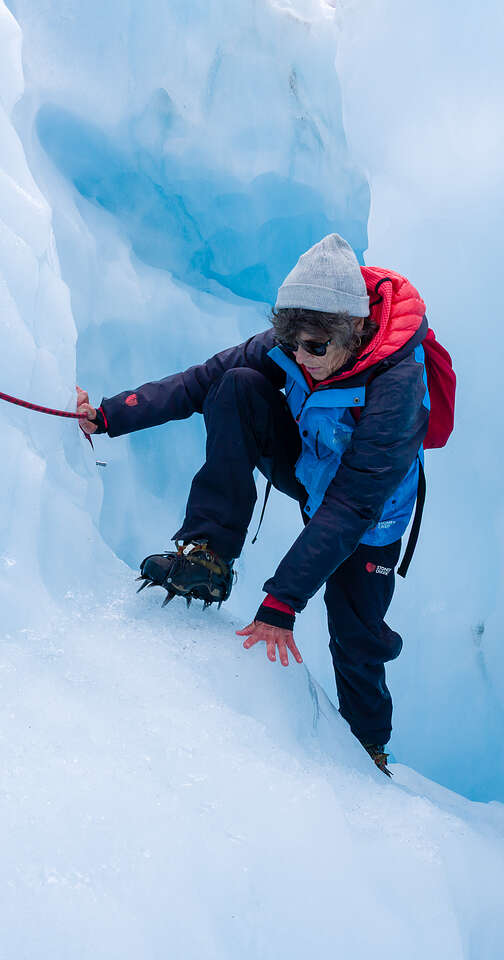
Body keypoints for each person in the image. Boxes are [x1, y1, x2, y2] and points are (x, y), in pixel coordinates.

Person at [75, 234, 436, 776]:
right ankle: (208, 557)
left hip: (370, 514)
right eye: (292, 344)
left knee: (357, 637)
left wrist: (282, 602)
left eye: (315, 347)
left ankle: (369, 751)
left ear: (355, 332)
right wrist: (106, 416)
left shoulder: (398, 386)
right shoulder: (296, 343)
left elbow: (354, 504)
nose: (300, 357)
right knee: (236, 385)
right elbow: (198, 383)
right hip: (309, 470)